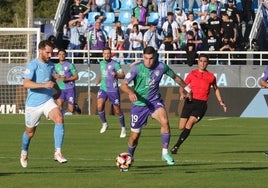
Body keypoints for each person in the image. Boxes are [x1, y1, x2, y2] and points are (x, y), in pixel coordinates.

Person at [120, 46, 192, 166]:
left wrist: (188, 88)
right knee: (134, 136)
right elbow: (123, 85)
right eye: (146, 58)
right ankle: (129, 156)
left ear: (156, 56)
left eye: (151, 58)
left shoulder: (162, 67)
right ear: (143, 57)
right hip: (139, 105)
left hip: (154, 101)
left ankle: (164, 152)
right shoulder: (137, 69)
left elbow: (175, 77)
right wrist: (130, 92)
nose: (148, 61)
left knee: (165, 121)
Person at [20, 40, 67, 168]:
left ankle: (57, 152)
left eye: (51, 53)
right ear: (40, 51)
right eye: (47, 52)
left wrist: (57, 90)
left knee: (59, 118)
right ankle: (24, 152)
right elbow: (26, 83)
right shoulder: (33, 65)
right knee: (30, 133)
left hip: (47, 100)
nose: (50, 55)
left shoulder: (51, 65)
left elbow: (51, 79)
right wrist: (44, 85)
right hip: (33, 105)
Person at [170, 54, 227, 154]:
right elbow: (183, 85)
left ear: (207, 63)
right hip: (190, 102)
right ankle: (178, 143)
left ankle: (176, 146)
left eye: (205, 61)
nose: (203, 63)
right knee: (181, 127)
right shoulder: (192, 74)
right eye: (201, 61)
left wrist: (221, 102)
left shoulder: (211, 77)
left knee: (190, 123)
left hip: (201, 105)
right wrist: (182, 93)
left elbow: (216, 89)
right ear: (198, 62)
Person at [95, 47, 127, 138]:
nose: (107, 55)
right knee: (99, 105)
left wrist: (116, 75)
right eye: (105, 53)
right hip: (103, 88)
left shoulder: (115, 64)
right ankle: (104, 123)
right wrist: (98, 80)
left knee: (117, 110)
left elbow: (123, 75)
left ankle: (123, 128)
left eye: (108, 53)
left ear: (110, 54)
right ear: (103, 54)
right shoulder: (101, 63)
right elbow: (102, 73)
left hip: (113, 90)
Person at [54, 49, 80, 115]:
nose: (62, 56)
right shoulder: (56, 66)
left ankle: (74, 106)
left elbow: (76, 76)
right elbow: (54, 75)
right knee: (59, 106)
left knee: (71, 110)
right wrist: (56, 76)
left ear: (65, 55)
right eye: (60, 54)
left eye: (63, 54)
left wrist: (67, 79)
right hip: (60, 89)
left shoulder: (70, 65)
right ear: (58, 56)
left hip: (70, 89)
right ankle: (61, 121)